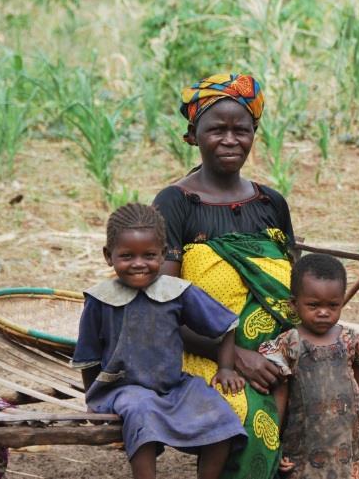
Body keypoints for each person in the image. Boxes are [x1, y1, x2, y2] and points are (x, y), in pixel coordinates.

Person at [153, 73, 359, 479]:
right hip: (205, 354)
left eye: (242, 129)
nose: (230, 139)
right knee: (252, 414)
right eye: (216, 129)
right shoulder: (175, 203)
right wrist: (235, 356)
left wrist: (297, 350)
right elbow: (159, 305)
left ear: (255, 133)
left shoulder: (271, 203)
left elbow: (294, 289)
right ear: (192, 135)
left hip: (287, 349)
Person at [72, 203, 247, 479]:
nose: (139, 263)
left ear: (164, 254)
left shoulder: (177, 292)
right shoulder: (99, 299)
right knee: (142, 412)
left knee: (222, 416)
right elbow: (88, 355)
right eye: (127, 256)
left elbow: (225, 324)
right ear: (109, 256)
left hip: (174, 385)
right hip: (123, 389)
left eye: (149, 255)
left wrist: (226, 367)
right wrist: (92, 399)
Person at [259, 253, 359, 479]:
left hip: (347, 440)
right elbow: (280, 395)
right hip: (305, 443)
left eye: (333, 305)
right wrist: (274, 444)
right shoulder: (290, 343)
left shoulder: (351, 340)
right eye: (314, 305)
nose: (324, 312)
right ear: (294, 304)